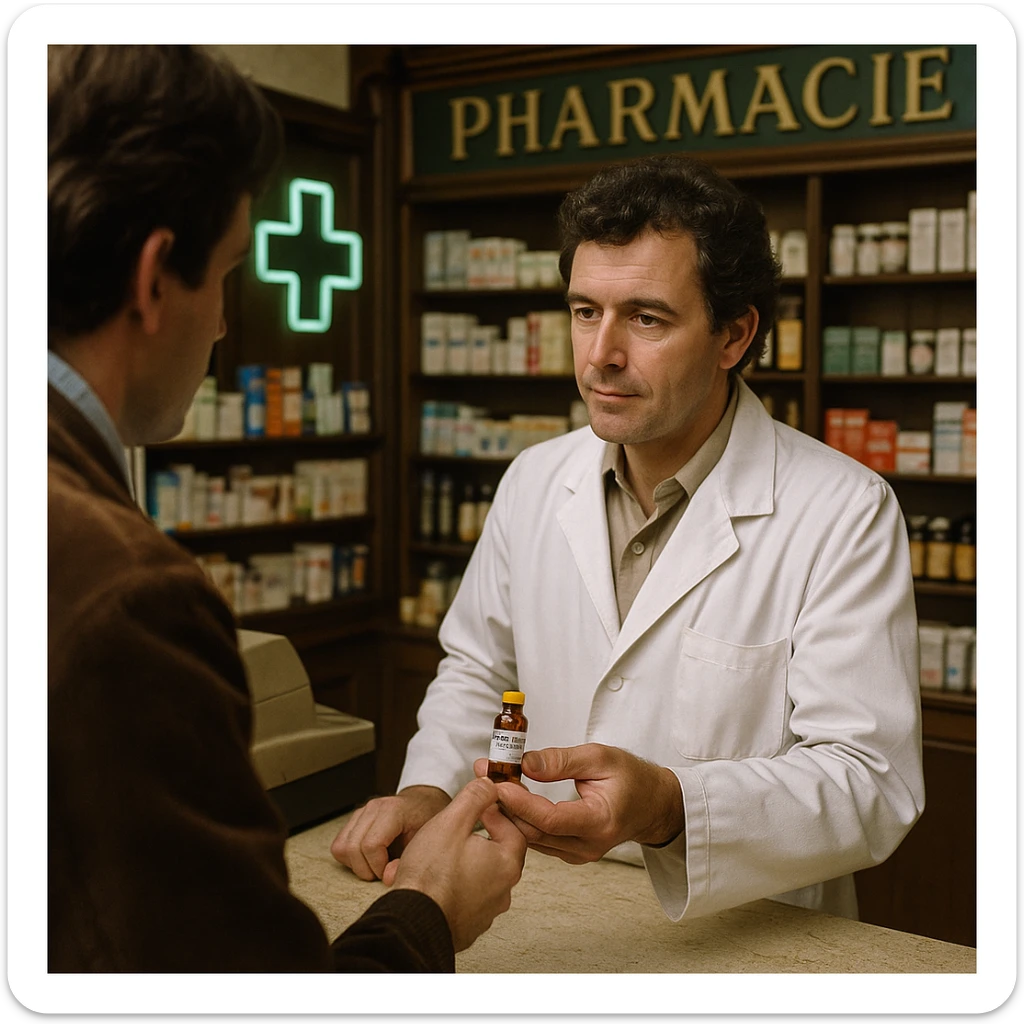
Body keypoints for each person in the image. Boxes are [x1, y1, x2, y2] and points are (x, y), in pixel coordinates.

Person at [332, 154, 925, 923]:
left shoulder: (842, 509)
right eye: (586, 311)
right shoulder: (535, 480)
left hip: (745, 929)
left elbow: (871, 782)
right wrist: (427, 791)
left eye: (646, 318)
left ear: (734, 335)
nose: (601, 355)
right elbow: (478, 670)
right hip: (533, 902)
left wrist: (670, 807)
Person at [47, 43, 525, 973]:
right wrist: (429, 909)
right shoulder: (122, 591)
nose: (225, 323)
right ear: (154, 279)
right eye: (226, 274)